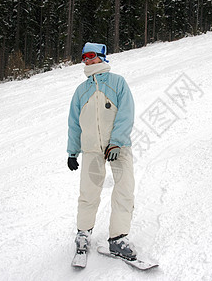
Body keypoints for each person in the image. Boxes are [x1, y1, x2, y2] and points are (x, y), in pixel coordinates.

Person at [67, 42, 137, 260]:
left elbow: (126, 113)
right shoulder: (81, 90)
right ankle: (83, 233)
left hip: (119, 146)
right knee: (88, 192)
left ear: (101, 57)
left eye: (91, 56)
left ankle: (118, 238)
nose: (87, 60)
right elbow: (74, 124)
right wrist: (72, 151)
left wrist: (116, 142)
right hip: (91, 149)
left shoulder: (117, 82)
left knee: (124, 189)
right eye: (84, 57)